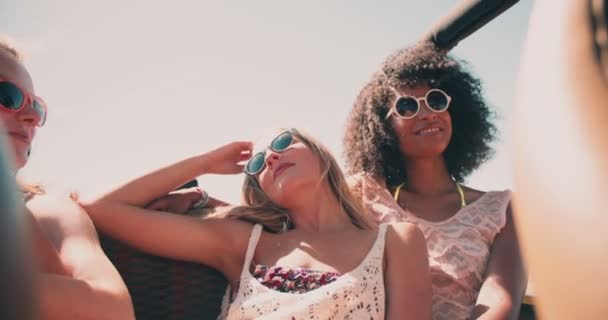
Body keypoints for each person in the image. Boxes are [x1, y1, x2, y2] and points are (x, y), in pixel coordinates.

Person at [78, 128, 432, 319]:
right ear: (260, 190)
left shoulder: (397, 241)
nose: (271, 157)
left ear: (320, 153)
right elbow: (103, 208)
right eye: (257, 162)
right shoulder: (244, 243)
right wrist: (204, 163)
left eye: (282, 143)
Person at [342, 44, 527, 320]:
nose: (427, 112)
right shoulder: (364, 196)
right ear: (383, 128)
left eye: (437, 101)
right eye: (407, 106)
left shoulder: (502, 209)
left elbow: (500, 302)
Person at [0, 36, 135, 319]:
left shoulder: (46, 209)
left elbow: (112, 310)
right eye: (8, 97)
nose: (31, 117)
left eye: (36, 107)